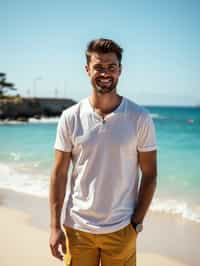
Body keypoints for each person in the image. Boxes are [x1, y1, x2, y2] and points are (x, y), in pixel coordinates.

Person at [49, 38, 157, 266]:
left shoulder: (140, 118)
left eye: (112, 67)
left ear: (120, 70)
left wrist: (136, 223)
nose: (105, 73)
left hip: (121, 228)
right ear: (87, 70)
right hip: (77, 229)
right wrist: (54, 227)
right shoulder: (71, 117)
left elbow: (149, 174)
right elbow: (59, 174)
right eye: (98, 67)